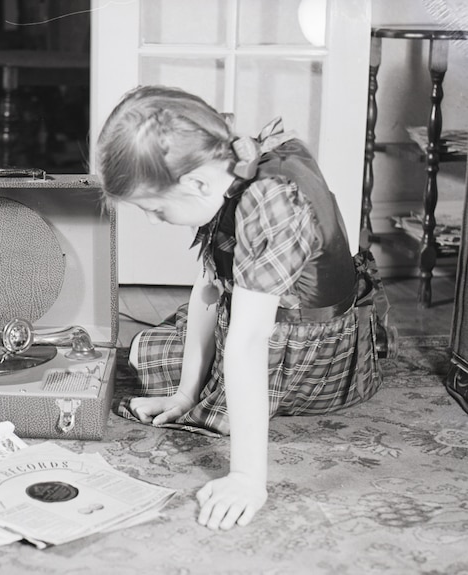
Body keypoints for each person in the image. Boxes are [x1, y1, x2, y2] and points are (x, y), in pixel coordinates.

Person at [96, 86, 389, 531]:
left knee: (145, 358)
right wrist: (186, 393)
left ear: (194, 183)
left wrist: (247, 479)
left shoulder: (270, 201)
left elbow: (249, 342)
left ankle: (252, 417)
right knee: (150, 352)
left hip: (309, 351)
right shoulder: (227, 167)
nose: (154, 221)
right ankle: (196, 386)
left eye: (154, 209)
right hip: (265, 318)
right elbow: (210, 289)